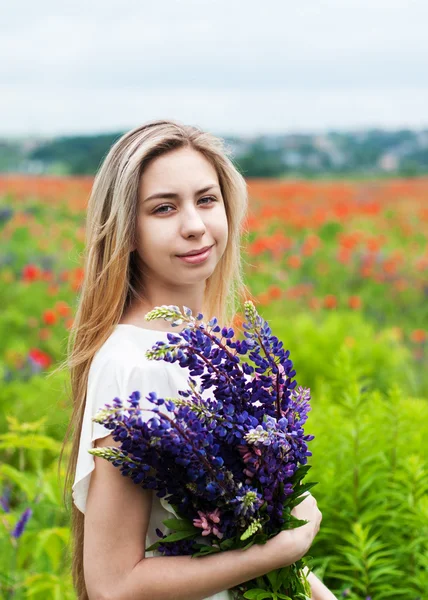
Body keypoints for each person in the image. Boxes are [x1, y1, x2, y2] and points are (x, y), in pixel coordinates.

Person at [56, 119, 336, 600]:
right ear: (126, 231)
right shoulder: (135, 364)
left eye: (206, 200)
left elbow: (230, 539)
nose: (194, 225)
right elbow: (112, 585)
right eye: (164, 208)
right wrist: (283, 548)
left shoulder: (213, 346)